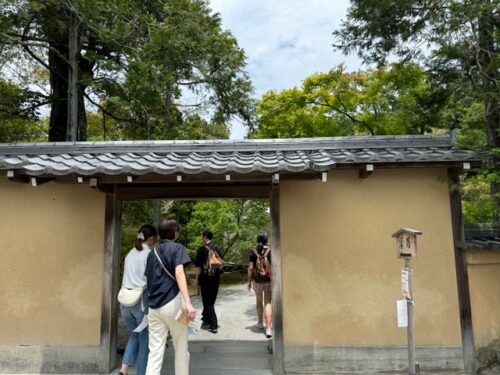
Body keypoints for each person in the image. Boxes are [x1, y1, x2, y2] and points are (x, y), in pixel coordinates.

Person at [144, 219, 196, 375]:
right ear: (174, 232)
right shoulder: (177, 248)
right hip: (174, 305)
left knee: (154, 353)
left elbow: (149, 279)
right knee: (181, 349)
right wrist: (188, 303)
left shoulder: (152, 252)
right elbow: (179, 273)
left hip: (154, 308)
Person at [119, 224, 157, 375]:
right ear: (152, 238)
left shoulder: (130, 254)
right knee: (144, 342)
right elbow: (151, 280)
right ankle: (141, 373)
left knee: (134, 334)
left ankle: (124, 368)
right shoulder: (149, 255)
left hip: (125, 301)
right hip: (141, 302)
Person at [195, 230, 223, 333]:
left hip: (205, 278)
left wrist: (197, 279)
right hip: (216, 278)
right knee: (211, 300)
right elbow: (221, 263)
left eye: (203, 236)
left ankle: (214, 324)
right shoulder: (217, 248)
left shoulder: (201, 249)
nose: (202, 238)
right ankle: (205, 319)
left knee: (207, 302)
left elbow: (198, 267)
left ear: (205, 237)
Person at [247, 232, 272, 338]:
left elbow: (251, 269)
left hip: (257, 281)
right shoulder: (271, 251)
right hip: (268, 280)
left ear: (257, 240)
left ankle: (259, 323)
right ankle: (268, 328)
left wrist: (249, 281)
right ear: (267, 240)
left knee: (258, 301)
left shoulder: (253, 252)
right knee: (267, 303)